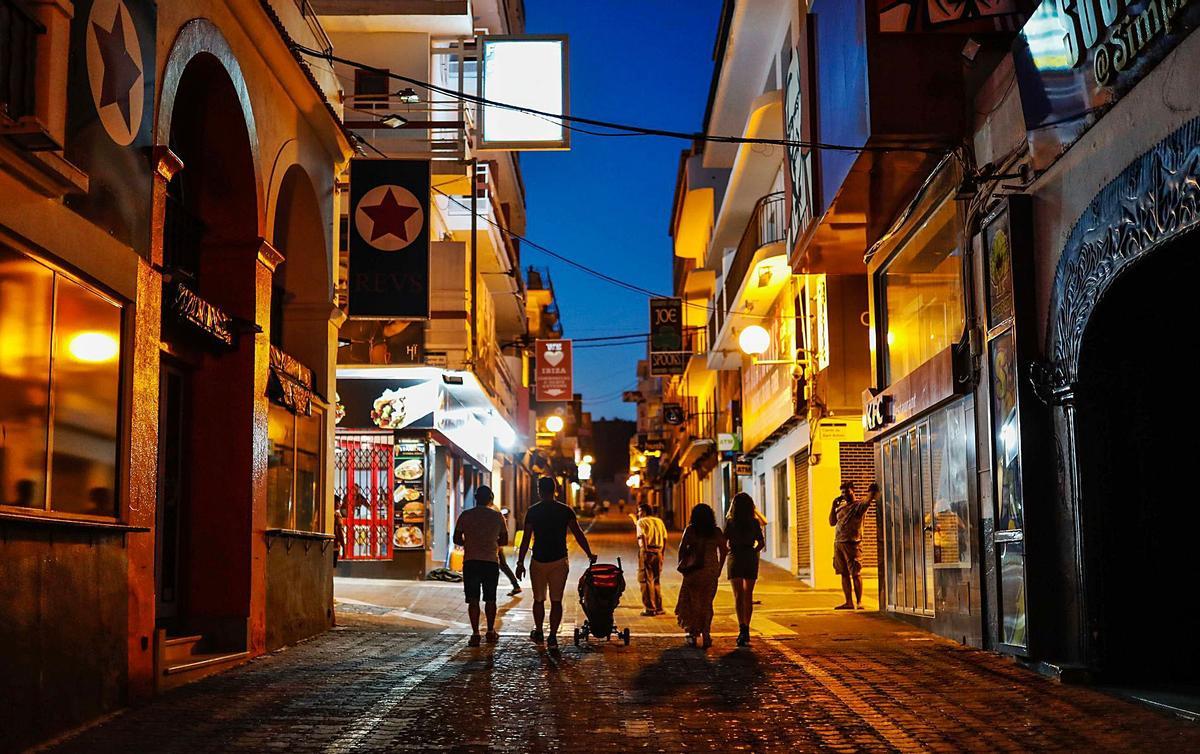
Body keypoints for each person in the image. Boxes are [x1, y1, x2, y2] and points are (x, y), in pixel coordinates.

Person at [515, 476, 597, 647]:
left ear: (539, 490)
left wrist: (520, 562)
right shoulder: (565, 510)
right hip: (559, 560)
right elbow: (578, 534)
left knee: (538, 599)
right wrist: (589, 553)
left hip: (538, 560)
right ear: (555, 490)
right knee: (556, 600)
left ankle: (539, 631)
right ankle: (552, 636)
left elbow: (526, 539)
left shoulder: (533, 511)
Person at [453, 486, 508, 647]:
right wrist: (491, 542)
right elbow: (504, 540)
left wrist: (469, 543)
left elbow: (456, 538)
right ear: (491, 499)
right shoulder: (497, 516)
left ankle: (475, 633)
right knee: (491, 599)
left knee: (473, 600)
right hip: (490, 561)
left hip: (471, 561)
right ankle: (490, 631)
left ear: (476, 498)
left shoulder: (466, 515)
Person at [674, 503, 727, 648]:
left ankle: (693, 632)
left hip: (694, 571)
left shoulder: (691, 530)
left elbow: (682, 548)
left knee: (693, 602)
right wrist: (719, 567)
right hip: (710, 571)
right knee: (707, 603)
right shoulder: (716, 532)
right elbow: (724, 550)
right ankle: (706, 633)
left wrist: (683, 565)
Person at [725, 492, 766, 647]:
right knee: (748, 595)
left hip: (735, 557)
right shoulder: (754, 522)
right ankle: (746, 628)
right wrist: (752, 552)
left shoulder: (730, 522)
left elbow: (724, 541)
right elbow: (761, 543)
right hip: (749, 557)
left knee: (738, 596)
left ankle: (741, 628)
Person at [830, 481, 878, 610]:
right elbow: (832, 522)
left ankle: (859, 602)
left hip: (852, 544)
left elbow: (867, 501)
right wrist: (833, 506)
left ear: (853, 491)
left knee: (855, 573)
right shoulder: (841, 507)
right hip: (838, 543)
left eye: (847, 492)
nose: (844, 494)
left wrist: (871, 491)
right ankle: (848, 602)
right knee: (843, 573)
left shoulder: (858, 506)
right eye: (842, 492)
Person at [634, 503, 667, 616]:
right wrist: (662, 553)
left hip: (647, 551)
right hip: (658, 551)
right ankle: (659, 607)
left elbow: (642, 536)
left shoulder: (641, 522)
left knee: (645, 580)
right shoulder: (659, 521)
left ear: (644, 511)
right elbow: (664, 538)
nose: (638, 514)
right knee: (656, 580)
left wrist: (646, 550)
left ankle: (650, 608)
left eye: (639, 511)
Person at [333, 495, 346, 567]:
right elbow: (340, 532)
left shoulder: (326, 513)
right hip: (335, 546)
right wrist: (344, 547)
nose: (340, 504)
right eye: (338, 502)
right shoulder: (337, 515)